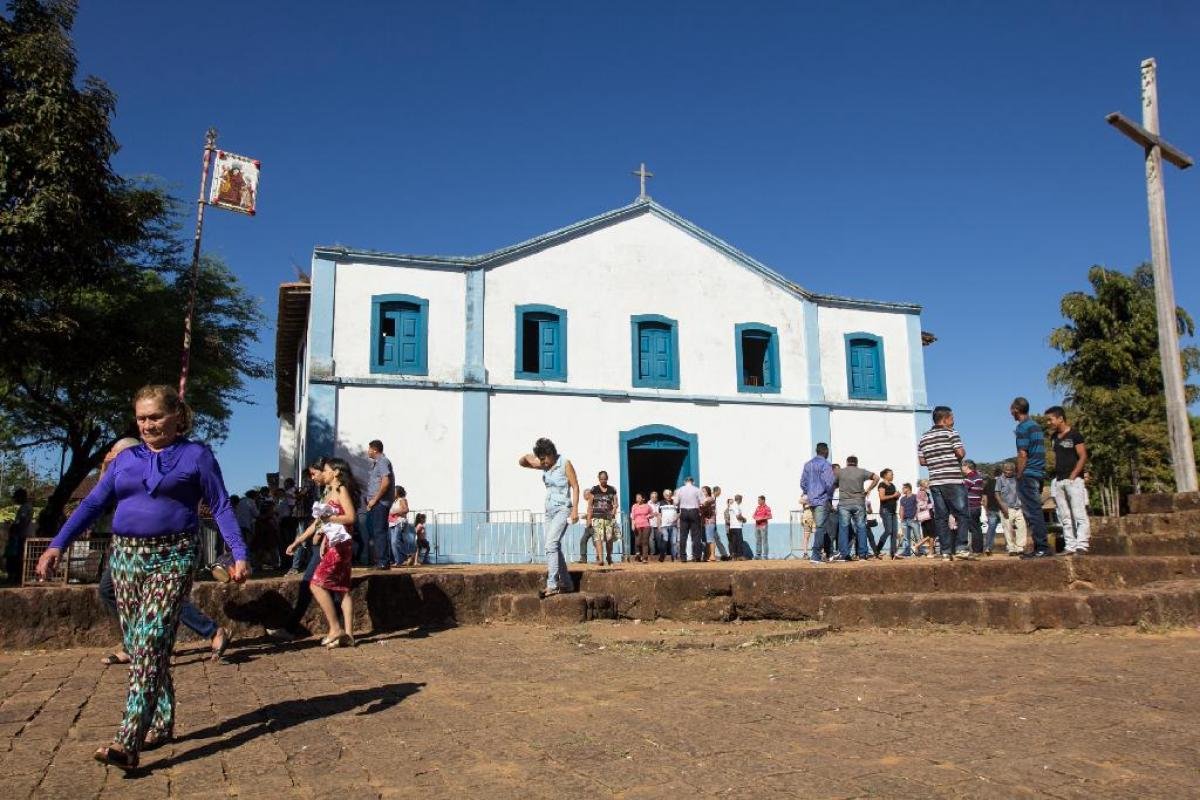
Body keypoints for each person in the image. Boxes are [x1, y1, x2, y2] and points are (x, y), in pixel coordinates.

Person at [36, 384, 249, 771]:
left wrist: (239, 552)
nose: (148, 425)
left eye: (156, 417)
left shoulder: (196, 454)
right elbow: (93, 503)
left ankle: (128, 737)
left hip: (174, 553)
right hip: (126, 556)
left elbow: (219, 504)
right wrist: (57, 545)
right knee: (142, 643)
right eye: (142, 418)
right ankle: (163, 720)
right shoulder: (125, 459)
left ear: (177, 417)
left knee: (150, 640)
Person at [94, 438, 231, 667]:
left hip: (157, 547)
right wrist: (105, 468)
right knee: (110, 590)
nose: (110, 455)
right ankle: (139, 643)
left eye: (115, 453)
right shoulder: (122, 471)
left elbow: (218, 503)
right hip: (126, 549)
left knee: (165, 596)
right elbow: (101, 497)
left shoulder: (149, 471)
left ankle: (204, 632)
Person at [269, 458, 331, 641]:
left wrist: (325, 536)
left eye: (314, 474)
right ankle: (338, 629)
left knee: (310, 585)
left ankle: (292, 627)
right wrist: (299, 541)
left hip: (326, 547)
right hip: (318, 546)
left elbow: (343, 518)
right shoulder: (325, 492)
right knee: (329, 589)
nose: (312, 478)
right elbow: (319, 522)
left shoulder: (336, 492)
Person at [309, 458, 361, 647]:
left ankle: (335, 628)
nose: (324, 472)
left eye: (326, 469)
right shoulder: (330, 491)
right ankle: (349, 635)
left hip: (341, 545)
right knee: (343, 589)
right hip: (336, 543)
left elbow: (350, 517)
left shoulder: (340, 490)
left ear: (336, 472)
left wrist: (328, 518)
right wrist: (324, 537)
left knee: (316, 583)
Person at [519, 438, 579, 597]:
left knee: (550, 545)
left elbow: (575, 486)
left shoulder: (565, 463)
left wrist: (575, 510)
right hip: (549, 510)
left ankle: (552, 585)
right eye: (541, 459)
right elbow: (522, 462)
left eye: (544, 458)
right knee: (553, 546)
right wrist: (531, 456)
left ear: (551, 453)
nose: (543, 462)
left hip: (562, 509)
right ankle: (566, 583)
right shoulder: (545, 465)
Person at [917, 406, 975, 562]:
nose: (954, 420)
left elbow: (922, 461)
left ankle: (945, 551)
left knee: (941, 517)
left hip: (935, 481)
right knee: (962, 513)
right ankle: (961, 548)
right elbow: (961, 453)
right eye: (952, 418)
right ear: (944, 419)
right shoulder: (951, 433)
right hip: (953, 479)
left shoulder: (923, 437)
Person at [1011, 397, 1053, 558]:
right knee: (1036, 510)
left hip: (1028, 473)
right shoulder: (1035, 426)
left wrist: (1019, 474)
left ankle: (1041, 547)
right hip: (1039, 473)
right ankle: (1040, 546)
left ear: (1015, 409)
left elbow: (1022, 454)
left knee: (1032, 512)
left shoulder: (1022, 428)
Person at [1046, 406, 1090, 556]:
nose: (1048, 422)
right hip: (1059, 480)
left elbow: (1083, 455)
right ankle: (1070, 545)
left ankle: (1082, 544)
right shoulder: (1053, 438)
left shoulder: (1075, 435)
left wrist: (1074, 474)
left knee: (1079, 513)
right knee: (1064, 515)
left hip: (1074, 480)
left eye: (1050, 419)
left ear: (1060, 418)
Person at [836, 456, 879, 561]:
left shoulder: (840, 472)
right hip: (859, 502)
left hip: (844, 503)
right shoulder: (862, 472)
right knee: (861, 528)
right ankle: (862, 555)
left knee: (843, 528)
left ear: (847, 462)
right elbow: (877, 477)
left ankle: (844, 554)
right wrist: (868, 489)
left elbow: (831, 483)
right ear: (856, 463)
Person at [799, 443, 836, 564]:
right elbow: (830, 483)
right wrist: (828, 497)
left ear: (816, 451)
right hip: (822, 500)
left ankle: (829, 553)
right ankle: (815, 555)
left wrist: (809, 493)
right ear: (826, 451)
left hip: (812, 501)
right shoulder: (826, 465)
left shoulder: (807, 465)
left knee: (822, 526)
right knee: (820, 527)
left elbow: (803, 483)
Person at [361, 439, 395, 568]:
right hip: (374, 503)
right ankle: (380, 560)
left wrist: (375, 499)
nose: (367, 451)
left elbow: (386, 482)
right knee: (374, 532)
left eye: (369, 449)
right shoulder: (377, 463)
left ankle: (383, 562)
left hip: (380, 503)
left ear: (375, 450)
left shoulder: (382, 461)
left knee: (379, 531)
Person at [584, 471, 618, 566]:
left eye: (605, 478)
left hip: (609, 518)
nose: (603, 480)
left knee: (609, 539)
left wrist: (614, 511)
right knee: (598, 539)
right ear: (598, 479)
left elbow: (615, 504)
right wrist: (588, 519)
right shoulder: (594, 490)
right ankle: (601, 559)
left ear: (607, 478)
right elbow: (590, 505)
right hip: (597, 517)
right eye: (601, 478)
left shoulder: (612, 490)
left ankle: (609, 556)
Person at [995, 462, 1026, 555]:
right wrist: (1002, 506)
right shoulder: (1000, 479)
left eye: (1010, 470)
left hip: (1018, 507)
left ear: (1013, 470)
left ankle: (1020, 547)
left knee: (1021, 527)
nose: (1008, 472)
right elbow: (997, 494)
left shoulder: (1018, 478)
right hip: (1007, 507)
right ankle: (1011, 548)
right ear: (1003, 470)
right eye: (1006, 470)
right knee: (1008, 529)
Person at [5, 487, 33, 583]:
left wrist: (14, 528)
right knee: (16, 557)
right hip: (20, 535)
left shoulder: (25, 507)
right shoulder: (25, 507)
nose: (15, 500)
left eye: (16, 498)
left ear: (21, 497)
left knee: (17, 557)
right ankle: (16, 577)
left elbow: (22, 521)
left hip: (21, 536)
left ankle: (17, 578)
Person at [872, 469, 901, 559]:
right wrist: (893, 495)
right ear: (885, 475)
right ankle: (877, 550)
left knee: (894, 533)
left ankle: (893, 553)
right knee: (888, 531)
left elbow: (893, 498)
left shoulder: (892, 485)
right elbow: (882, 497)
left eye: (893, 474)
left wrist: (897, 496)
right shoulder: (882, 484)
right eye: (891, 474)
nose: (893, 475)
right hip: (885, 510)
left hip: (893, 511)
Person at [675, 477, 704, 562]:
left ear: (685, 482)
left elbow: (676, 502)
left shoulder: (679, 490)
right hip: (694, 511)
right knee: (696, 535)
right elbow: (702, 502)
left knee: (683, 535)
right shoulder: (697, 490)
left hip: (684, 511)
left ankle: (683, 557)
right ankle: (697, 556)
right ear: (693, 482)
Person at [963, 460, 986, 554]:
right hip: (976, 506)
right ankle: (978, 549)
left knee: (974, 528)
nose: (962, 468)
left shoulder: (971, 477)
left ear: (967, 467)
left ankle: (976, 550)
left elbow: (963, 489)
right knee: (977, 528)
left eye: (963, 466)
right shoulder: (978, 476)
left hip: (971, 506)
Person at [387, 485, 411, 567]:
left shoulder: (401, 500)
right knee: (393, 542)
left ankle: (403, 558)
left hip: (398, 522)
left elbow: (406, 509)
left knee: (395, 541)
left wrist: (395, 511)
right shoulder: (394, 501)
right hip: (392, 523)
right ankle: (399, 560)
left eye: (394, 491)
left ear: (398, 492)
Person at [982, 467, 1003, 557]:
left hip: (991, 509)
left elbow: (984, 499)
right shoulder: (1003, 482)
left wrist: (986, 509)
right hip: (1003, 509)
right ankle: (1011, 547)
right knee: (1008, 528)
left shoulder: (988, 484)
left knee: (991, 529)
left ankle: (988, 547)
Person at [897, 482, 920, 557]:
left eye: (904, 488)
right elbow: (901, 509)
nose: (902, 490)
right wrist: (901, 520)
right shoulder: (902, 499)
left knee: (917, 536)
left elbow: (918, 507)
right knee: (906, 538)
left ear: (908, 488)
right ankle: (907, 552)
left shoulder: (915, 497)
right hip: (904, 521)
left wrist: (916, 516)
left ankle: (921, 551)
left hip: (913, 520)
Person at [915, 479, 936, 557]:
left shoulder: (924, 492)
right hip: (928, 515)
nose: (928, 485)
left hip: (926, 515)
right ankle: (918, 546)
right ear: (922, 485)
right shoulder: (921, 493)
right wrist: (932, 506)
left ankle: (930, 552)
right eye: (927, 483)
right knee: (932, 534)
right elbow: (921, 505)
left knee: (930, 534)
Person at [630, 493, 653, 563]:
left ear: (643, 499)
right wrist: (632, 525)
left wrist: (649, 516)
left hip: (646, 525)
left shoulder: (648, 506)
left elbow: (652, 514)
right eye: (637, 498)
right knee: (637, 542)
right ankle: (638, 555)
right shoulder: (634, 506)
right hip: (637, 526)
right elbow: (632, 517)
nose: (638, 499)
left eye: (639, 498)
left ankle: (645, 558)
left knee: (645, 542)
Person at [658, 489, 679, 562]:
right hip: (664, 526)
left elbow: (679, 513)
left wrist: (676, 518)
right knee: (665, 541)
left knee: (674, 542)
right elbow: (659, 515)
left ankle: (674, 557)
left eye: (670, 494)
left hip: (674, 526)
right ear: (664, 495)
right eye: (667, 495)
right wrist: (659, 525)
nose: (669, 496)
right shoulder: (661, 503)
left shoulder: (675, 503)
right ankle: (662, 556)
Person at [700, 486, 719, 562]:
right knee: (705, 540)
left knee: (710, 539)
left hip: (710, 522)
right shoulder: (703, 499)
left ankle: (712, 555)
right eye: (702, 491)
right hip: (704, 522)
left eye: (704, 491)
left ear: (708, 491)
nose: (703, 492)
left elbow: (705, 504)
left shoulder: (710, 498)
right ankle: (707, 556)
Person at [726, 495, 747, 560]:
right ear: (740, 499)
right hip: (737, 526)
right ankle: (740, 555)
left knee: (734, 542)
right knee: (739, 541)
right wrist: (744, 519)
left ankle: (734, 556)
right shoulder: (736, 506)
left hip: (732, 526)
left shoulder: (731, 506)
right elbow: (738, 516)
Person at [647, 491, 662, 558]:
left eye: (655, 497)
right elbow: (645, 514)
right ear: (650, 497)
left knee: (659, 538)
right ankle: (652, 552)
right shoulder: (647, 504)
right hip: (650, 523)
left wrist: (659, 514)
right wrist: (652, 514)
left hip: (659, 524)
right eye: (652, 497)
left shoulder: (660, 504)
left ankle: (660, 552)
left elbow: (662, 513)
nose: (654, 498)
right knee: (651, 539)